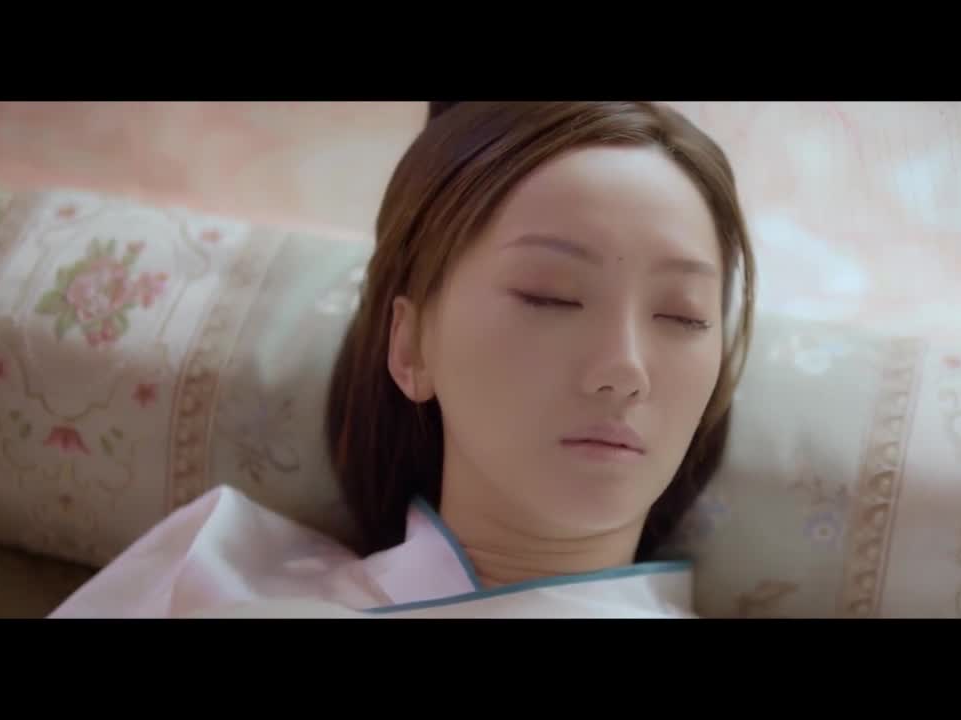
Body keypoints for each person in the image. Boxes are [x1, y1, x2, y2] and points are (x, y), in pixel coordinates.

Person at [48, 101, 757, 619]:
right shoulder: (213, 574)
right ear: (412, 346)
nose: (625, 367)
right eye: (550, 296)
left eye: (682, 316)